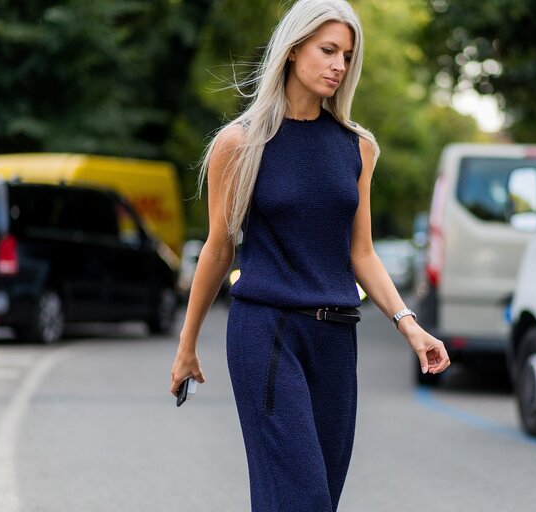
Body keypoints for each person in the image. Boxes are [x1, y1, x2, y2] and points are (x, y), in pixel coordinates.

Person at [170, 0, 451, 510]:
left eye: (346, 55)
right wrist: (187, 345)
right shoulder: (241, 143)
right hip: (267, 332)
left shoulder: (356, 147)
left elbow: (361, 253)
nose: (339, 66)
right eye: (327, 50)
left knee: (316, 498)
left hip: (337, 339)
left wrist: (409, 324)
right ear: (293, 48)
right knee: (303, 500)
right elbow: (218, 248)